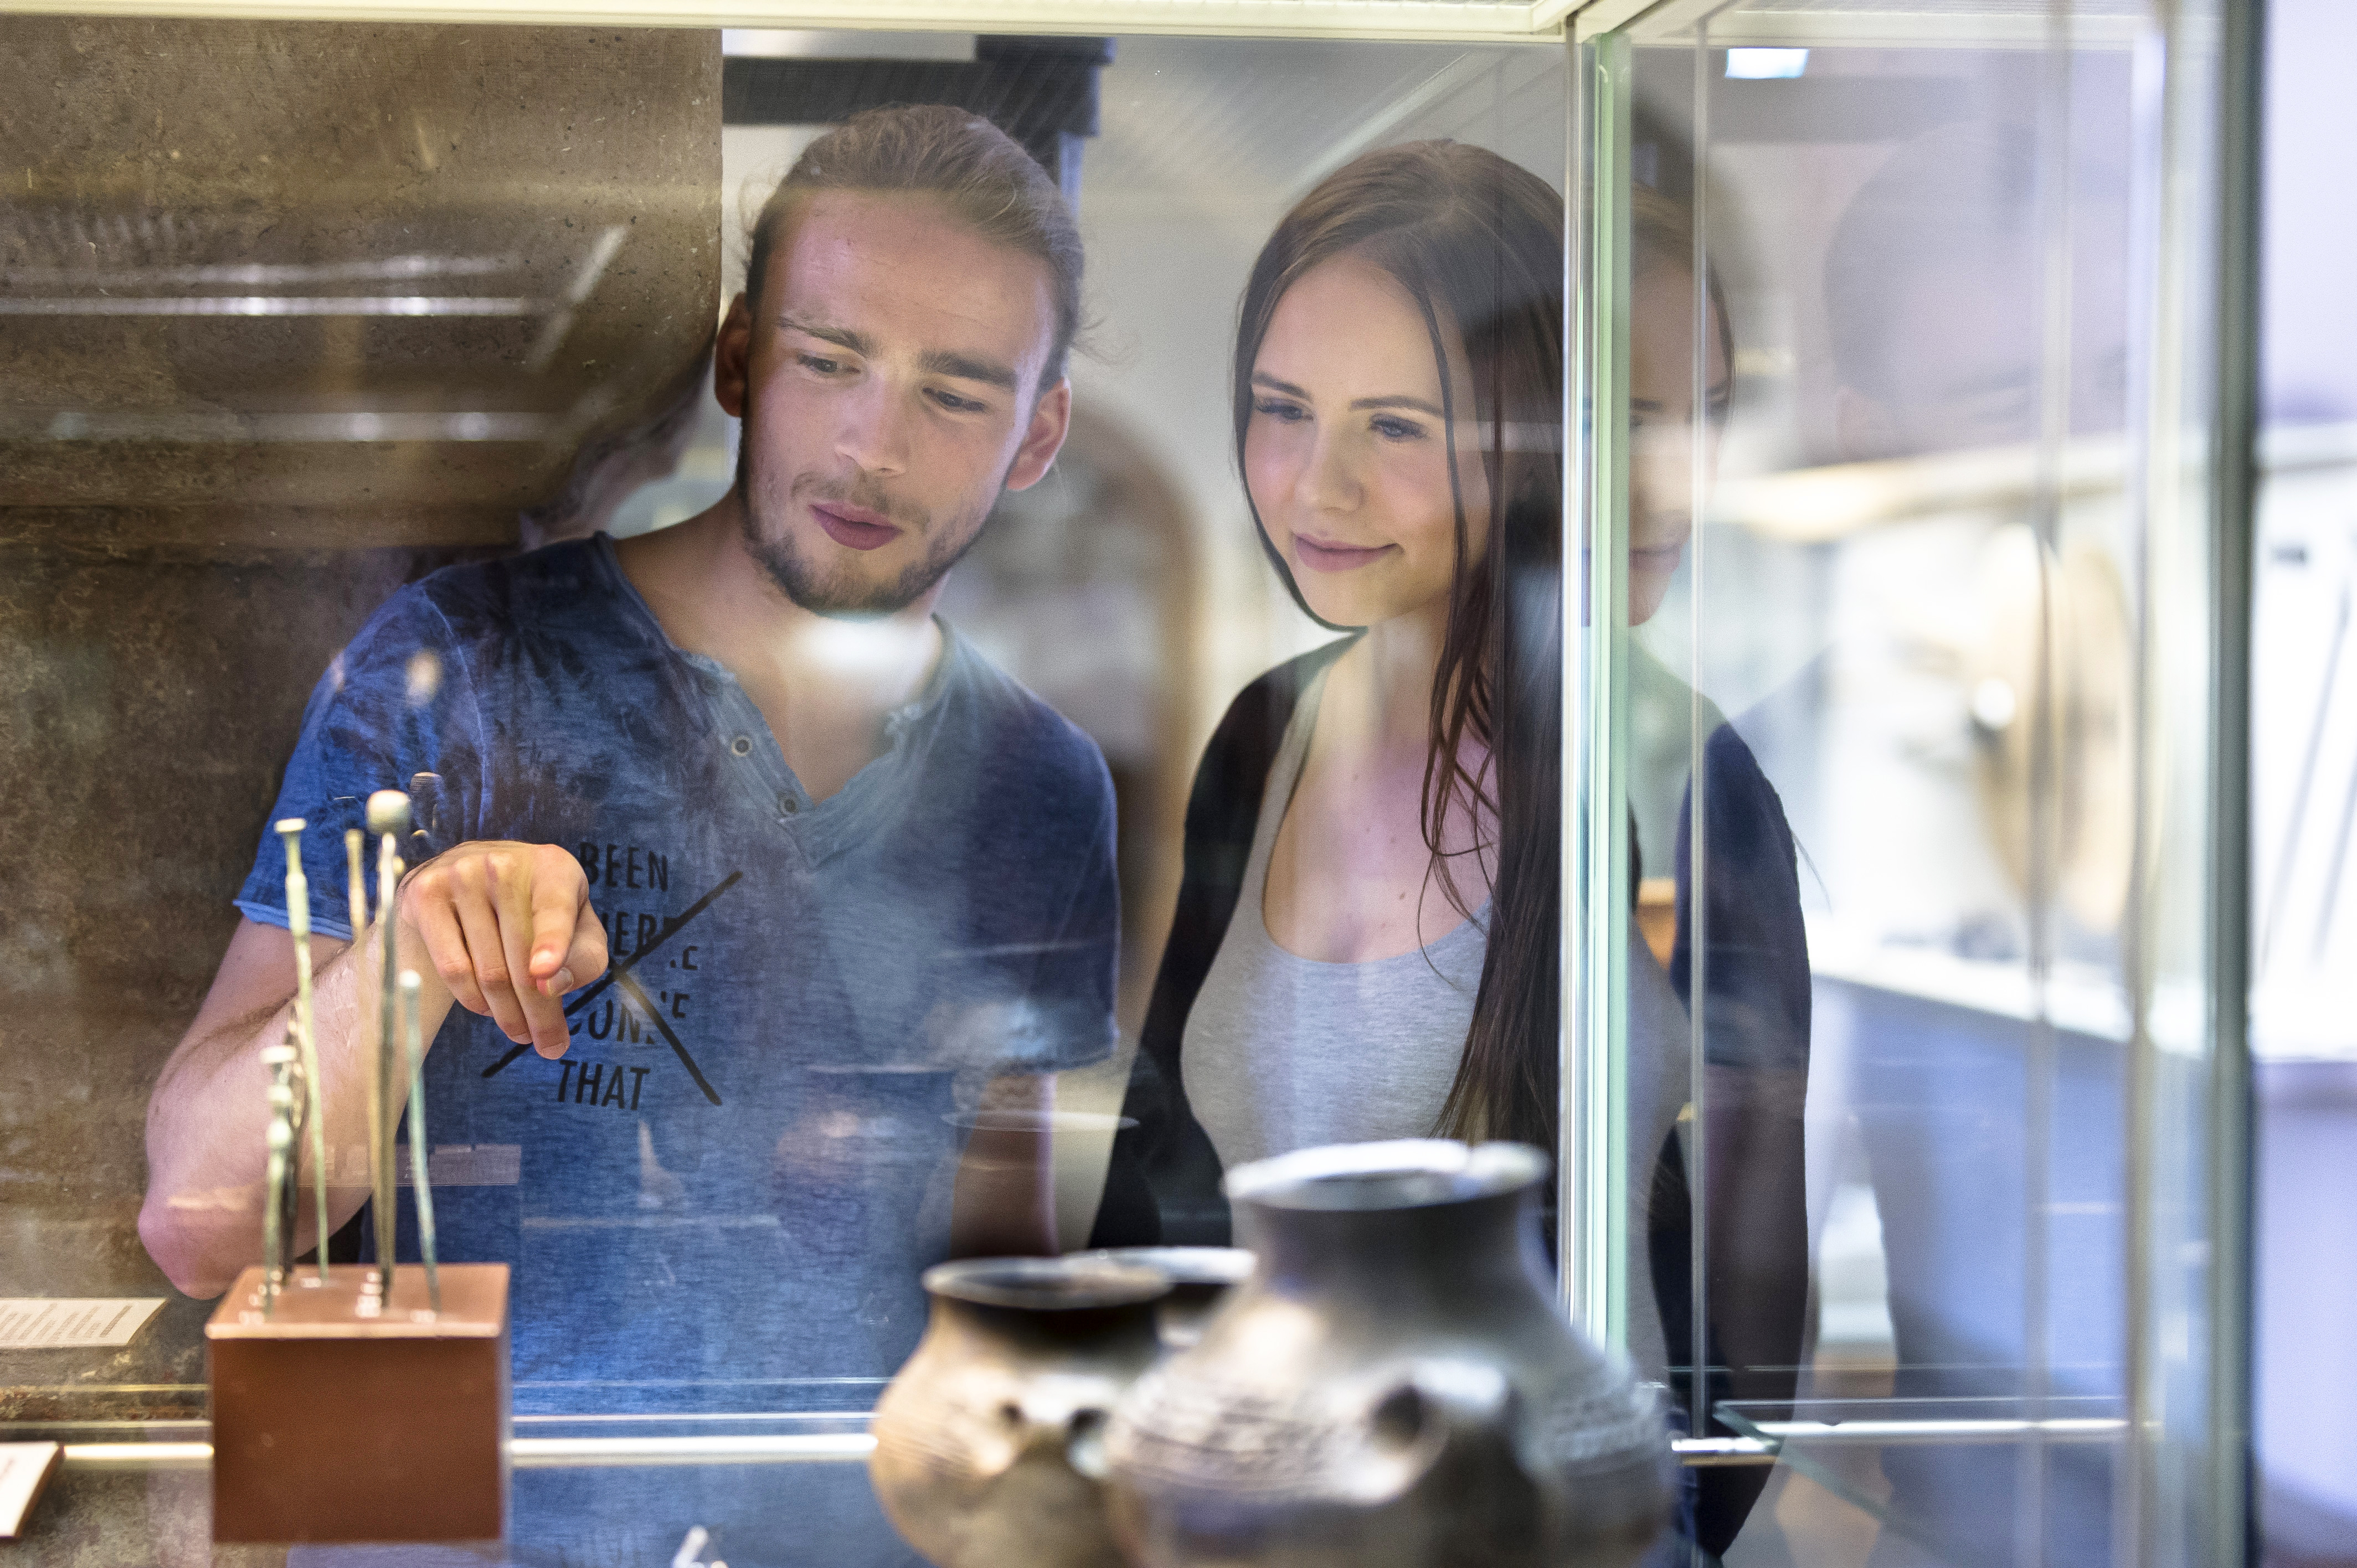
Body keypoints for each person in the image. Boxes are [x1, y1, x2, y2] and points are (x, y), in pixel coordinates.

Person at [141, 100, 1117, 1469]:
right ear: (738, 360)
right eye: (829, 360)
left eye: (953, 394)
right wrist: (415, 949)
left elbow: (1003, 1268)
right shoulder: (462, 663)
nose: (874, 445)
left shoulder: (1043, 784)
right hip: (463, 1527)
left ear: (1037, 432)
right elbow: (198, 1222)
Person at [1086, 145, 1809, 1557]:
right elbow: (1155, 1170)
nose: (1315, 483)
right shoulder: (1264, 735)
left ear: (1528, 434)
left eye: (1396, 428)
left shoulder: (1667, 766)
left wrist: (1668, 1536)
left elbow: (1755, 1245)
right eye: (1279, 411)